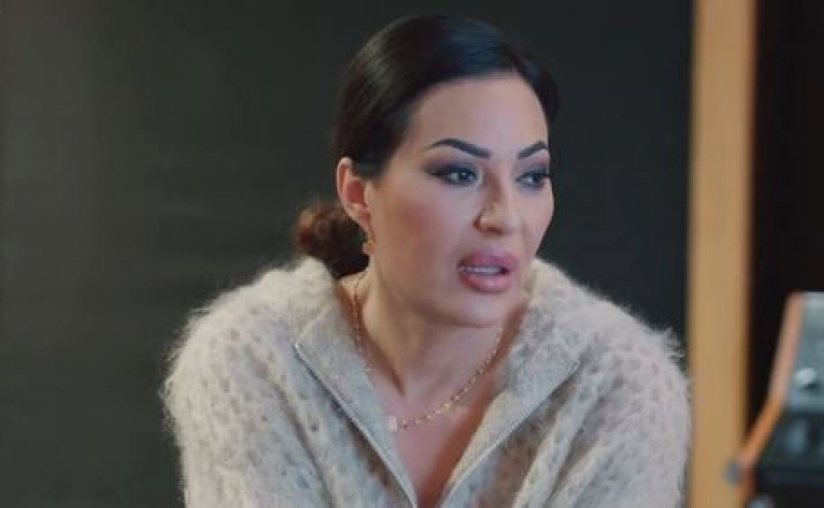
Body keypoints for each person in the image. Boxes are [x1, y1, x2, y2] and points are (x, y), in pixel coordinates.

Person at [163, 14, 690, 508]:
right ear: (358, 192)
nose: (506, 217)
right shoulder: (253, 361)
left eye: (532, 176)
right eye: (459, 173)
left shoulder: (620, 387)